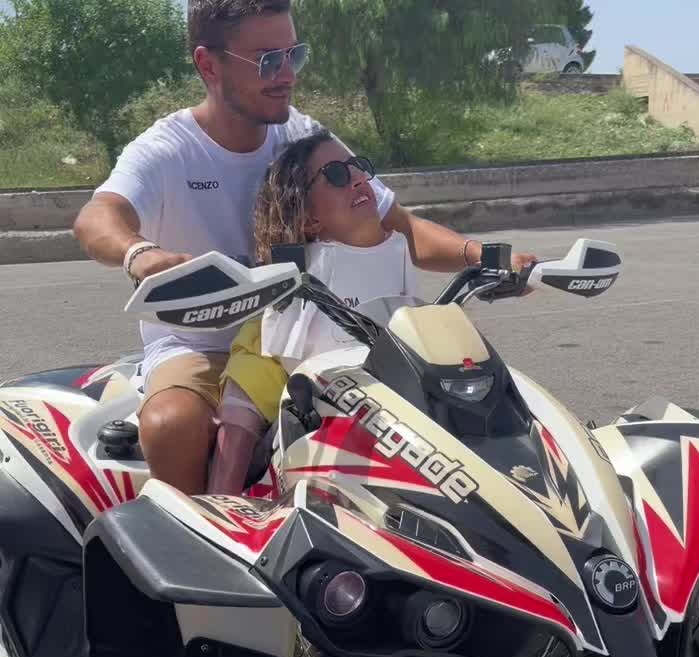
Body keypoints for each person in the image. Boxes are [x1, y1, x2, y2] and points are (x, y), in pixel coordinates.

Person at [74, 0, 536, 495]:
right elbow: (97, 217)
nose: (287, 74)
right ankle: (197, 527)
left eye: (293, 55)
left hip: (319, 332)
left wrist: (484, 256)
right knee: (173, 422)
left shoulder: (304, 136)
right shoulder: (167, 150)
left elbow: (401, 226)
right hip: (205, 344)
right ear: (209, 64)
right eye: (267, 60)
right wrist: (139, 253)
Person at [209, 130, 416, 494]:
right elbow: (284, 345)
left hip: (376, 365)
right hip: (283, 356)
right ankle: (219, 503)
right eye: (336, 175)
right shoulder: (293, 283)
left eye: (358, 167)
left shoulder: (398, 248)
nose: (357, 179)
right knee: (245, 399)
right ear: (308, 220)